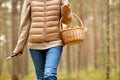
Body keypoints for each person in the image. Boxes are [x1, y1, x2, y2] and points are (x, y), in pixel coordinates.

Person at [13, 0, 73, 80]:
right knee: (40, 77)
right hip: (35, 44)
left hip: (55, 42)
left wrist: (67, 11)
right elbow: (25, 24)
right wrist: (19, 47)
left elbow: (67, 21)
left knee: (49, 74)